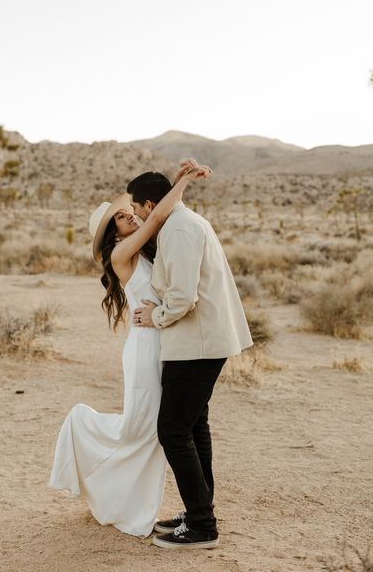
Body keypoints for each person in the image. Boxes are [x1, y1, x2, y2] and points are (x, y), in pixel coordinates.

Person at [47, 161, 209, 538]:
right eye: (120, 218)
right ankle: (83, 430)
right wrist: (182, 182)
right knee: (144, 429)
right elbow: (153, 220)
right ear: (112, 233)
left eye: (127, 211)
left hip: (162, 340)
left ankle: (147, 504)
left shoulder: (146, 252)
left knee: (156, 431)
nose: (129, 218)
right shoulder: (121, 255)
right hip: (145, 348)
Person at [129, 168, 253, 550]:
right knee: (195, 427)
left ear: (151, 204)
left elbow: (183, 297)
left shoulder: (179, 229)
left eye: (137, 210)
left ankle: (202, 526)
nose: (137, 217)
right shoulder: (185, 222)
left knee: (173, 430)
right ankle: (200, 509)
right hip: (201, 342)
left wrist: (155, 316)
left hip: (196, 344)